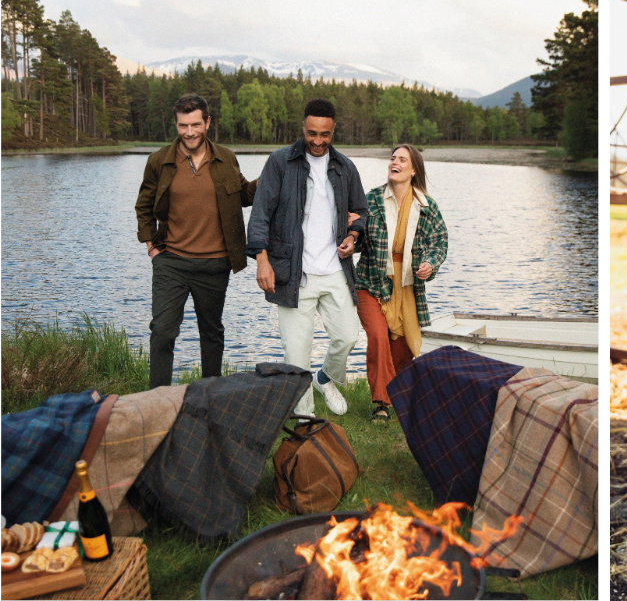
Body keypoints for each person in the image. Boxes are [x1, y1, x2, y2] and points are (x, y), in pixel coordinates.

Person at [246, 99, 368, 417]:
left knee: (348, 335)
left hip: (334, 271)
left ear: (333, 130)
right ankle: (305, 420)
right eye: (312, 133)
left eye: (324, 134)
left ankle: (325, 378)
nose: (317, 141)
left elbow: (362, 212)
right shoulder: (279, 162)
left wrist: (353, 236)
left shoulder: (345, 167)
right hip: (293, 274)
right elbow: (260, 214)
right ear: (303, 127)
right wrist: (261, 260)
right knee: (297, 355)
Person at [135, 94, 258, 389]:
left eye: (195, 125)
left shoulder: (226, 158)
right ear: (176, 125)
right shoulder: (159, 161)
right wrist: (152, 247)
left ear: (207, 123)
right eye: (182, 125)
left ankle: (210, 398)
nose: (189, 132)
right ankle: (157, 399)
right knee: (162, 331)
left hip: (215, 264)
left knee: (212, 333)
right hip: (171, 262)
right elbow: (143, 207)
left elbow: (242, 195)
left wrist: (271, 177)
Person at [355, 144, 448, 422]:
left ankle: (399, 394)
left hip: (407, 284)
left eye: (401, 159)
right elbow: (357, 238)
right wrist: (351, 236)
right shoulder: (371, 199)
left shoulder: (427, 206)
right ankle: (382, 403)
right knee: (378, 337)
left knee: (403, 344)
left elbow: (439, 242)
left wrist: (430, 263)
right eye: (392, 158)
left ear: (413, 169)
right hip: (371, 280)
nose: (394, 162)